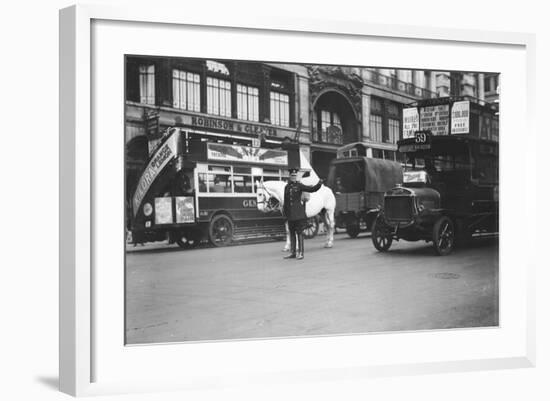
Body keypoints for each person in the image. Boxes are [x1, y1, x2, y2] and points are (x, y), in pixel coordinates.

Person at [283, 167, 322, 260]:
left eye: (295, 175)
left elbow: (311, 189)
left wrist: (319, 184)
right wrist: (285, 215)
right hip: (290, 215)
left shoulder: (299, 186)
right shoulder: (286, 187)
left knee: (299, 233)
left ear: (296, 176)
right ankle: (293, 253)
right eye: (292, 175)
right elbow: (286, 201)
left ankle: (301, 253)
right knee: (292, 233)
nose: (293, 177)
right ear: (289, 176)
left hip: (298, 214)